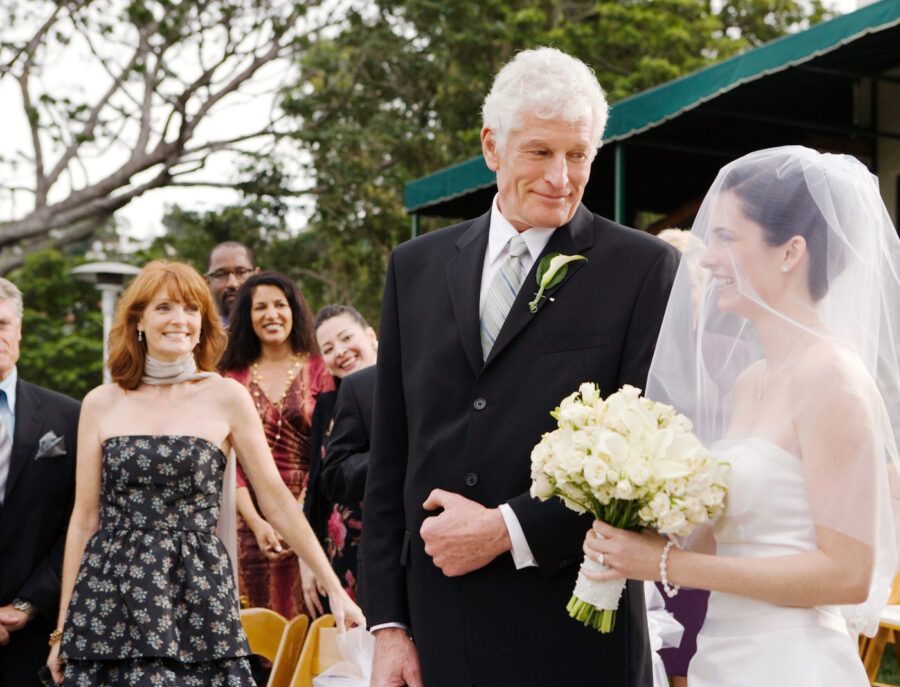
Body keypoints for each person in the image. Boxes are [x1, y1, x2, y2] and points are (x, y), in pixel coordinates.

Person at [362, 47, 679, 687]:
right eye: (539, 152)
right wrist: (389, 624)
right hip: (439, 625)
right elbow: (391, 455)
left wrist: (507, 529)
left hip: (575, 629)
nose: (561, 177)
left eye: (579, 154)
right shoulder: (414, 268)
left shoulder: (643, 269)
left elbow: (652, 460)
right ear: (491, 146)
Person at [583, 146, 900, 685]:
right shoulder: (752, 380)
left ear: (790, 251)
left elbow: (847, 574)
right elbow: (725, 535)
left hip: (793, 664)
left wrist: (666, 566)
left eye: (728, 238)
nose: (707, 259)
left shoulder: (832, 379)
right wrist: (628, 502)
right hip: (720, 658)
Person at [46, 261, 362, 685]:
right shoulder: (101, 402)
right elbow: (85, 519)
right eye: (164, 308)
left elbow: (276, 500)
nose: (180, 320)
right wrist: (63, 628)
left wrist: (334, 588)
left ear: (203, 321)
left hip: (197, 596)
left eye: (191, 309)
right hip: (110, 597)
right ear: (138, 320)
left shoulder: (226, 396)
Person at [219, 272, 333, 619]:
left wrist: (298, 510)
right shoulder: (230, 376)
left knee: (308, 622)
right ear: (247, 317)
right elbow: (229, 462)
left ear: (294, 310)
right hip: (244, 520)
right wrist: (256, 521)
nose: (272, 314)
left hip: (309, 509)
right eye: (260, 307)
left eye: (280, 305)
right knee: (249, 624)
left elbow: (328, 449)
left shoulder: (320, 369)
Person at [0, 278, 80, 687]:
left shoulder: (68, 417)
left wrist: (28, 604)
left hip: (30, 633)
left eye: (1, 324)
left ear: (19, 331)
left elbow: (80, 520)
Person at [307, 305, 378, 609]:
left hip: (386, 541)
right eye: (328, 348)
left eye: (346, 337)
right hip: (343, 549)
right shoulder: (326, 404)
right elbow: (317, 485)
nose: (341, 352)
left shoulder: (409, 381)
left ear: (371, 335)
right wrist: (308, 558)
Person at [206, 242, 258, 325]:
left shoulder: (276, 332)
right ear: (207, 282)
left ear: (256, 275)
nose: (232, 284)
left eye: (241, 272)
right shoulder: (197, 334)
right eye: (221, 274)